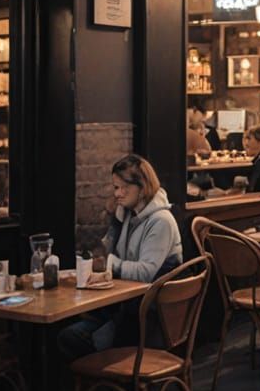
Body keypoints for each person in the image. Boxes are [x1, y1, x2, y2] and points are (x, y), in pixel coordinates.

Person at [58, 154, 182, 360]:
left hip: (149, 319)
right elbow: (112, 253)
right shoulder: (129, 215)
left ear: (142, 188)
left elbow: (145, 272)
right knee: (68, 327)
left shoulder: (161, 221)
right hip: (129, 308)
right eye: (116, 187)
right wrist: (114, 219)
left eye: (124, 187)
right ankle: (104, 386)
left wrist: (108, 265)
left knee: (69, 336)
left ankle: (105, 386)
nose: (118, 194)